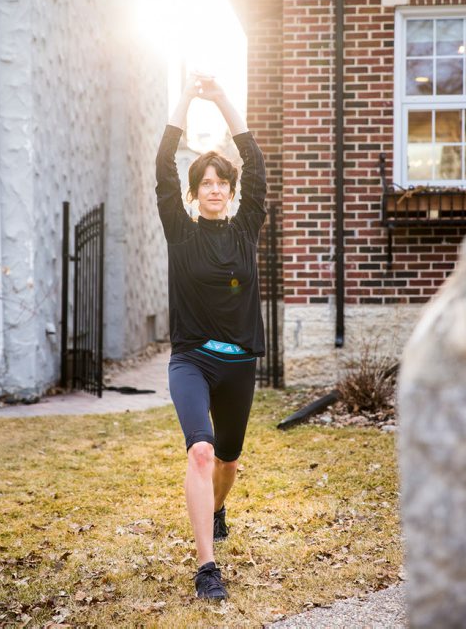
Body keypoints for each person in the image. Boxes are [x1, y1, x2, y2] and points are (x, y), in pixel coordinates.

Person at [155, 73, 267, 601]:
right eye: (206, 183)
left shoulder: (246, 229)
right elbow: (162, 167)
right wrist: (184, 100)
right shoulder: (181, 231)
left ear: (231, 189)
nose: (215, 189)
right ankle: (207, 567)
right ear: (195, 193)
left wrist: (223, 102)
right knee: (200, 451)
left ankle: (218, 507)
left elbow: (258, 165)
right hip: (192, 360)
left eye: (222, 182)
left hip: (239, 363)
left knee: (228, 461)